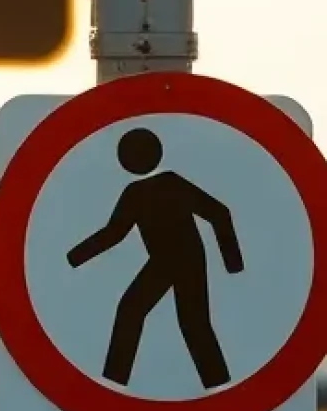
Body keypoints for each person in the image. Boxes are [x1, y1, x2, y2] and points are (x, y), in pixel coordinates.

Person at [66, 126, 243, 389]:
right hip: (171, 259)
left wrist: (234, 265)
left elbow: (219, 213)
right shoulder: (138, 192)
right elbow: (115, 233)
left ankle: (116, 383)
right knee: (161, 316)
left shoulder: (164, 185)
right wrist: (75, 257)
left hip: (183, 258)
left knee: (173, 318)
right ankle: (117, 384)